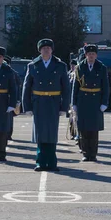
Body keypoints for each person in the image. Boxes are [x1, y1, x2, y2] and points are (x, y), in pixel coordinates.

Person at [22, 38, 70, 172]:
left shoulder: (60, 66)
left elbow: (66, 89)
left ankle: (52, 162)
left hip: (54, 103)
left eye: (48, 48)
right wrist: (27, 107)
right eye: (43, 48)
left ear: (52, 50)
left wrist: (64, 107)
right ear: (39, 50)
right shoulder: (33, 66)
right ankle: (40, 162)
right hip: (39, 102)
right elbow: (27, 87)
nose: (46, 50)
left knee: (52, 133)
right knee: (40, 133)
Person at [72, 44, 109, 162]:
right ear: (86, 55)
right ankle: (85, 153)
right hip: (83, 100)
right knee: (83, 129)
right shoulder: (80, 67)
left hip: (96, 101)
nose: (91, 56)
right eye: (89, 54)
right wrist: (74, 103)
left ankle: (93, 154)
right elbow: (75, 86)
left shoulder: (101, 67)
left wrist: (104, 102)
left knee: (93, 129)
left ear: (96, 55)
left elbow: (105, 87)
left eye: (93, 54)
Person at [4, 56, 21, 141]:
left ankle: (8, 134)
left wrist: (17, 100)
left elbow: (17, 87)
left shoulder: (13, 73)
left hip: (10, 99)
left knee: (9, 118)